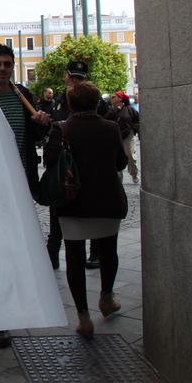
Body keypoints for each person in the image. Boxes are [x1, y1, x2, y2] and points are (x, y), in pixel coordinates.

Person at [43, 81, 127, 340]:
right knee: (108, 251)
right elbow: (121, 162)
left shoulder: (62, 128)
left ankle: (83, 317)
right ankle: (106, 297)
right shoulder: (111, 127)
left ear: (69, 104)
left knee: (75, 259)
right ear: (96, 103)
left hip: (72, 201)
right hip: (107, 200)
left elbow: (49, 160)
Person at [0, 44, 52, 347]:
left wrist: (42, 125)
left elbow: (34, 136)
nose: (1, 68)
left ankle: (8, 310)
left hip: (19, 184)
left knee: (13, 250)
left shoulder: (23, 96)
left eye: (7, 64)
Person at [47, 61, 109, 268]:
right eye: (72, 76)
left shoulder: (97, 101)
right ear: (66, 76)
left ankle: (95, 252)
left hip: (88, 166)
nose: (75, 80)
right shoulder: (59, 101)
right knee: (58, 209)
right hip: (66, 167)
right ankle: (53, 252)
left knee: (91, 211)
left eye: (79, 78)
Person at [108, 91, 139, 184]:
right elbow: (105, 118)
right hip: (114, 135)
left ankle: (134, 174)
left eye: (114, 97)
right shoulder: (111, 110)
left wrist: (133, 129)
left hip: (128, 135)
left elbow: (138, 120)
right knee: (116, 156)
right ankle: (118, 178)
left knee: (130, 155)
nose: (111, 99)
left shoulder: (130, 110)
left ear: (120, 99)